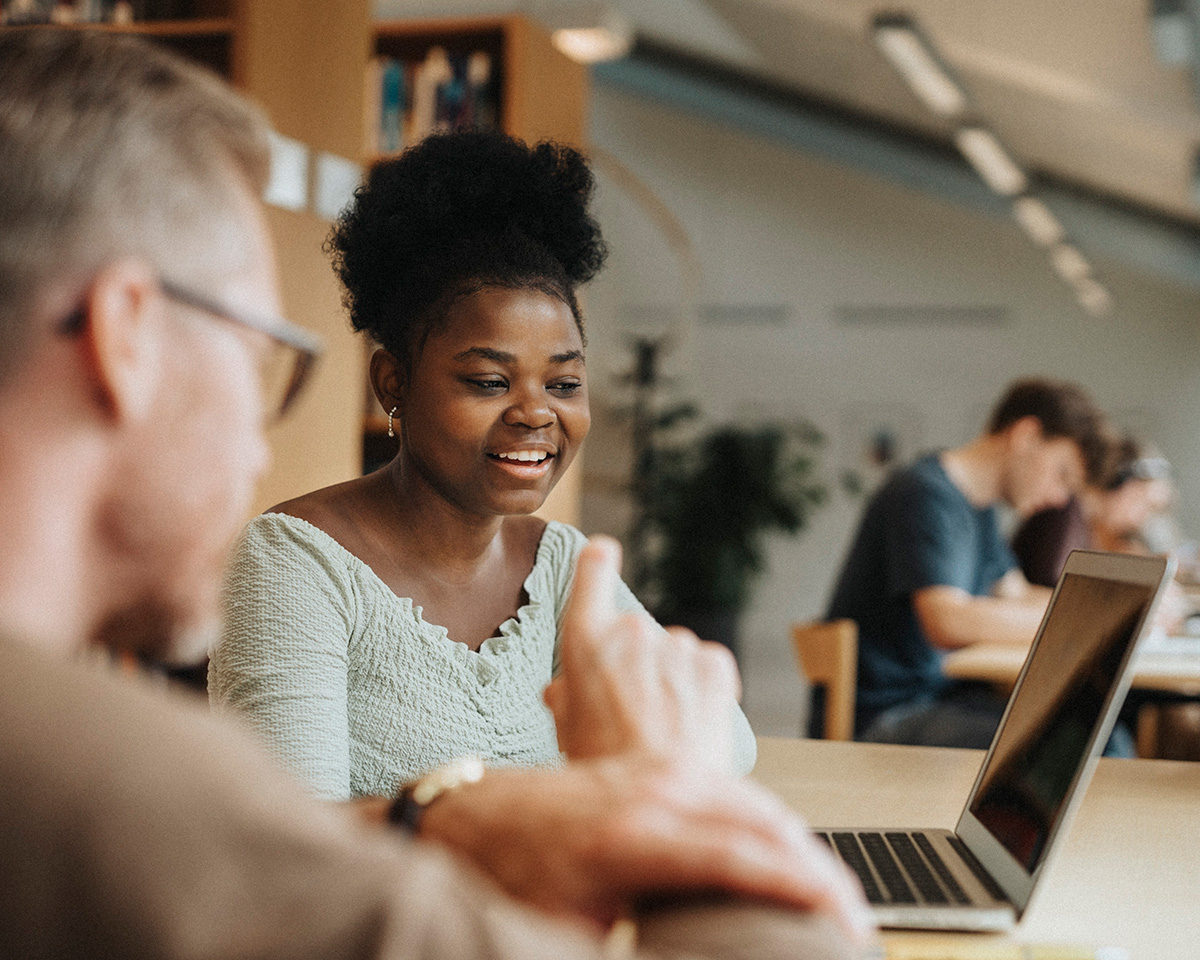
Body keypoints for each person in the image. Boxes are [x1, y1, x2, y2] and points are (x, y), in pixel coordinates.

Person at [0, 28, 871, 960]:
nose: (260, 444)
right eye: (261, 359)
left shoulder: (104, 780)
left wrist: (452, 814)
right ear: (125, 335)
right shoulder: (94, 776)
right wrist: (668, 802)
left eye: (565, 381)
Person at [208, 129, 755, 799]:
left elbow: (728, 742)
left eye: (562, 383)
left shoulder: (558, 567)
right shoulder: (296, 562)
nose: (536, 413)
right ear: (391, 383)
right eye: (489, 382)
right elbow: (294, 845)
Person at [825, 378, 1108, 748]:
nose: (1059, 499)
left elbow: (1019, 595)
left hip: (942, 701)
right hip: (888, 714)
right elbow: (948, 621)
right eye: (1062, 474)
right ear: (1025, 435)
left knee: (1089, 731)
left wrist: (1100, 609)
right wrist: (1088, 623)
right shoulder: (923, 494)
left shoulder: (980, 510)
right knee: (1074, 746)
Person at [1013, 434, 1174, 587]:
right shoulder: (1064, 510)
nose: (1138, 519)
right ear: (1116, 482)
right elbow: (1057, 590)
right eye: (1139, 501)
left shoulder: (1087, 523)